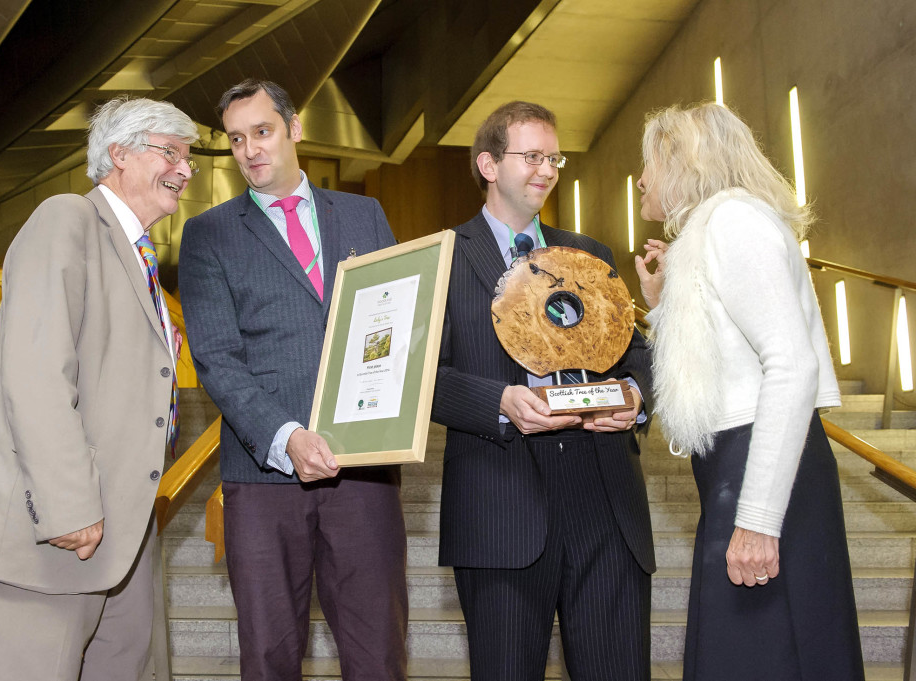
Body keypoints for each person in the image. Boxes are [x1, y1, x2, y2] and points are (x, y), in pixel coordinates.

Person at [0, 97, 198, 680]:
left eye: (189, 160)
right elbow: (34, 375)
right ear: (119, 154)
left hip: (123, 535)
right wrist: (67, 507)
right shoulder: (66, 219)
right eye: (171, 153)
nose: (184, 170)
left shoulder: (139, 258)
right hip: (56, 535)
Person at [178, 78, 406, 681]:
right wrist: (286, 438)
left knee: (378, 652)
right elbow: (217, 360)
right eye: (235, 139)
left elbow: (395, 325)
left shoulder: (364, 214)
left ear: (294, 128)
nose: (250, 150)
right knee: (270, 656)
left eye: (262, 131)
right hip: (263, 477)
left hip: (364, 467)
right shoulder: (208, 234)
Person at [633, 102, 864, 680]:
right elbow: (716, 364)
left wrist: (758, 517)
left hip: (762, 470)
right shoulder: (713, 227)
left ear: (684, 162)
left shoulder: (735, 221)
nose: (640, 180)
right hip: (743, 466)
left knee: (765, 656)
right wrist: (663, 307)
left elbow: (791, 365)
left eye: (649, 164)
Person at [430, 100, 655, 681]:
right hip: (499, 506)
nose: (548, 170)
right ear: (487, 164)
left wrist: (632, 395)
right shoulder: (441, 259)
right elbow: (421, 378)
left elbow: (637, 355)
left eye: (554, 157)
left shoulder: (590, 255)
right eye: (532, 156)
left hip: (605, 502)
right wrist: (497, 403)